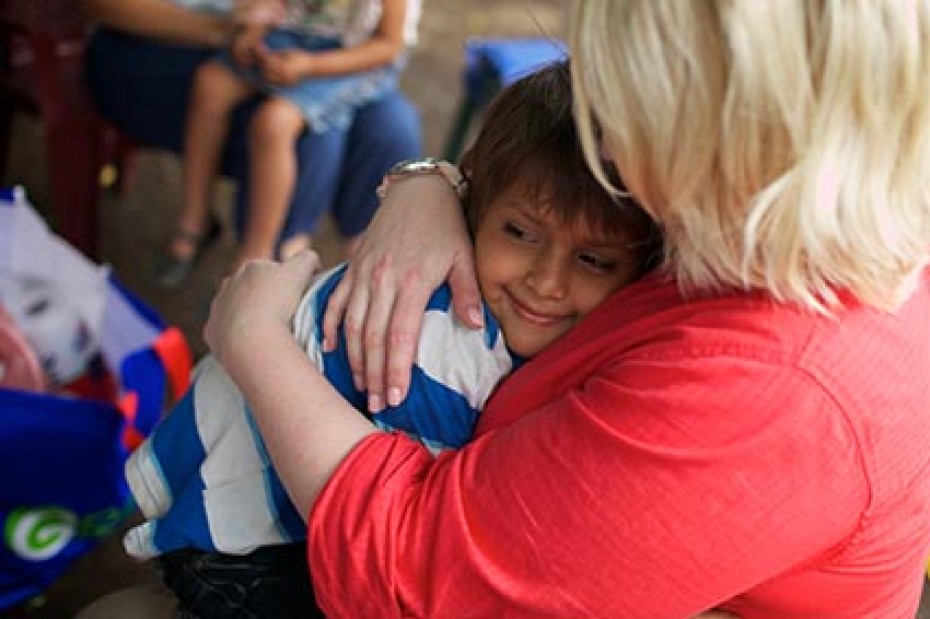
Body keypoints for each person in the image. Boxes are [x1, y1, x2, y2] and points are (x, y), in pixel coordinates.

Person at [202, 1, 930, 617]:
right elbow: (549, 166)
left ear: (736, 127)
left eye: (625, 100)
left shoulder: (778, 390)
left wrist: (256, 340)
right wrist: (433, 185)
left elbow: (413, 580)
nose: (602, 136)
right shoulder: (777, 218)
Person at [120, 60, 662, 618]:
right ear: (475, 203)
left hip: (229, 514)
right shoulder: (451, 334)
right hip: (243, 554)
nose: (545, 281)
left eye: (593, 260)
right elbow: (408, 537)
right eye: (519, 233)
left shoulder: (476, 298)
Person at [79, 0, 422, 286]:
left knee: (278, 125)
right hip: (298, 40)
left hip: (348, 59)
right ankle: (195, 221)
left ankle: (261, 257)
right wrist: (251, 31)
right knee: (211, 83)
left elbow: (388, 45)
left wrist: (310, 66)